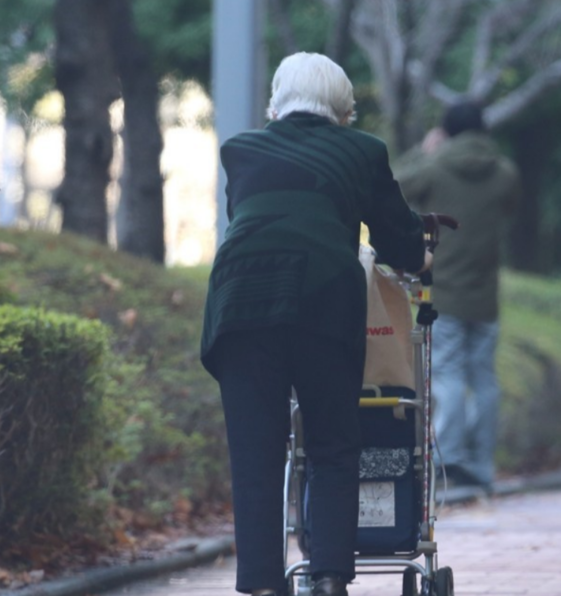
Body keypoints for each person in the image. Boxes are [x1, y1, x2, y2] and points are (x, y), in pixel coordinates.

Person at [200, 53, 429, 596]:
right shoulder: (362, 150)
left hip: (241, 302)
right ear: (344, 109)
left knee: (255, 455)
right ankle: (328, 578)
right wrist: (421, 258)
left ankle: (262, 585)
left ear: (275, 104)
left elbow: (250, 219)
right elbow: (398, 241)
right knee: (332, 443)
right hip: (323, 299)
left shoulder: (241, 149)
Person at [397, 101, 521, 490]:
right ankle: (481, 466)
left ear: (446, 131)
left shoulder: (434, 168)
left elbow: (394, 185)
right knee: (484, 380)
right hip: (485, 297)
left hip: (444, 293)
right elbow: (510, 209)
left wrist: (423, 151)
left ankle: (449, 460)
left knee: (448, 376)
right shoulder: (505, 174)